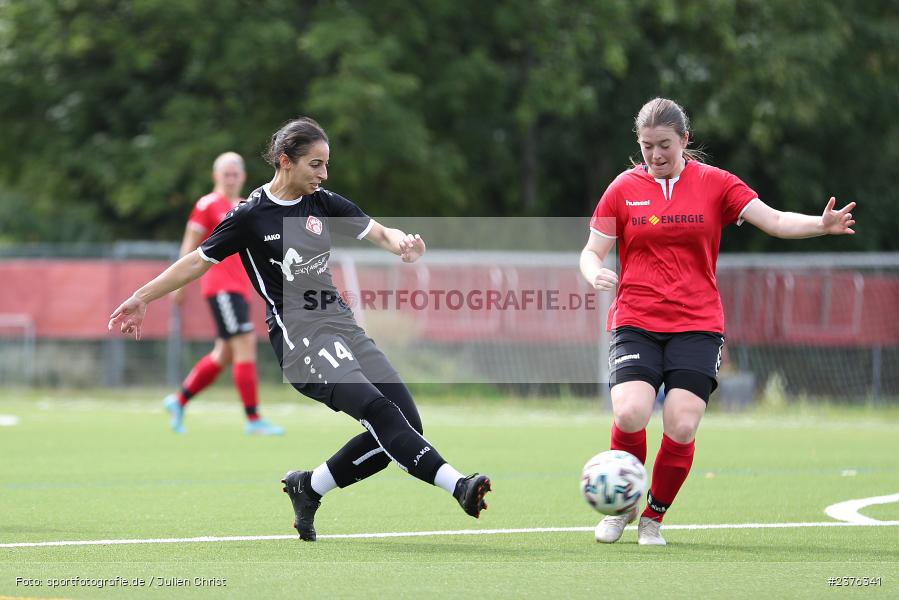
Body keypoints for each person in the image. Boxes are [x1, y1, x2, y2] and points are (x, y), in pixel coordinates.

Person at [109, 117, 492, 540]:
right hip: (300, 339)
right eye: (316, 164)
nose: (324, 174)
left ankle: (308, 487)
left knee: (406, 427)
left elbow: (377, 230)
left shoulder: (321, 201)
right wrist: (142, 297)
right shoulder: (251, 215)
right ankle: (459, 485)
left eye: (326, 165)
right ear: (285, 161)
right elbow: (198, 260)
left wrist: (403, 243)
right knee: (381, 415)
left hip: (341, 324)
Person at [580, 97, 856, 546]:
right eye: (647, 146)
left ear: (685, 140)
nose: (655, 155)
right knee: (630, 412)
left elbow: (776, 220)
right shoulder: (622, 188)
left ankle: (652, 517)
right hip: (636, 318)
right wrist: (595, 273)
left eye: (665, 145)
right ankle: (622, 506)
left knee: (682, 423)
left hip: (697, 322)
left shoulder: (716, 184)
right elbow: (591, 251)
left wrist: (820, 225)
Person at [164, 152, 284, 436]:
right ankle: (253, 419)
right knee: (245, 343)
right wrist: (178, 286)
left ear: (242, 177)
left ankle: (178, 401)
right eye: (225, 174)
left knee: (225, 352)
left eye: (235, 174)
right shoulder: (206, 205)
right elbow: (190, 247)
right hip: (219, 288)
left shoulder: (245, 206)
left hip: (241, 288)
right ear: (216, 176)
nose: (230, 179)